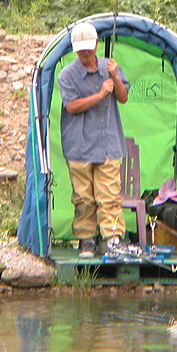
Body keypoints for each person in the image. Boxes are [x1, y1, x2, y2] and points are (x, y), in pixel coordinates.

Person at [57, 22, 130, 258]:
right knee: (83, 197)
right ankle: (86, 239)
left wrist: (115, 77)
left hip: (108, 143)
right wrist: (100, 94)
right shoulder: (67, 75)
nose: (85, 53)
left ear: (96, 44)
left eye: (88, 48)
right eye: (81, 50)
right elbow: (72, 106)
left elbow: (123, 98)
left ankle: (112, 238)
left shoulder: (110, 67)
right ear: (75, 50)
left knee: (110, 195)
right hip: (78, 145)